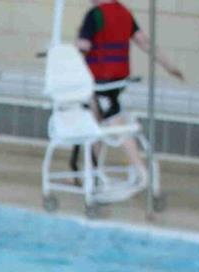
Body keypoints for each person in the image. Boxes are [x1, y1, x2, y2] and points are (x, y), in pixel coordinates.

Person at [73, 0, 183, 178]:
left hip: (99, 81)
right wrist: (169, 65)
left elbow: (83, 47)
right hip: (118, 80)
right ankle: (91, 174)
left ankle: (142, 173)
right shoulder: (125, 13)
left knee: (116, 124)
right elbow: (144, 42)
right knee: (96, 124)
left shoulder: (95, 15)